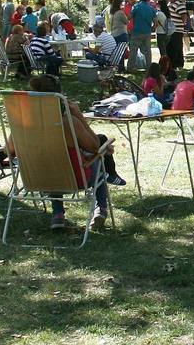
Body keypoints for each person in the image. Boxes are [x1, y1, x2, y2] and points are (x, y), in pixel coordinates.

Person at [21, 73, 120, 230]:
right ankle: (101, 209)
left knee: (51, 163)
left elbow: (8, 150)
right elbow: (95, 146)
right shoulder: (69, 123)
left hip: (38, 180)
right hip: (76, 180)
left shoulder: (23, 124)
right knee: (99, 158)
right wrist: (79, 115)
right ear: (59, 98)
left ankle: (58, 214)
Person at [165, 0, 188, 71]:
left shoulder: (179, 4)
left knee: (177, 47)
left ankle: (179, 64)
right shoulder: (169, 4)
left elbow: (184, 15)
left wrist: (183, 23)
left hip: (177, 29)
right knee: (170, 47)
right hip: (170, 30)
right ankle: (171, 64)